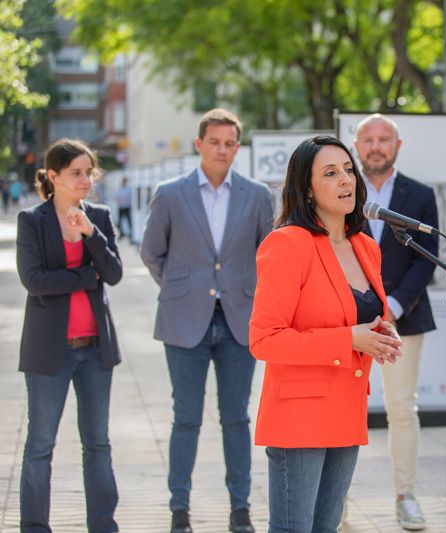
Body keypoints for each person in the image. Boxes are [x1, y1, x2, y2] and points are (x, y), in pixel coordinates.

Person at [249, 135, 403, 533]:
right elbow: (265, 339)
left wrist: (381, 333)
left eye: (348, 170)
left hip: (347, 406)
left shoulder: (366, 246)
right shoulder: (287, 244)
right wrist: (349, 339)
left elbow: (361, 313)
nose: (345, 180)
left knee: (327, 527)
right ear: (307, 188)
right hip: (299, 414)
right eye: (330, 173)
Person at [140, 108, 273, 533]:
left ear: (238, 146)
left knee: (236, 418)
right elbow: (151, 251)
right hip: (184, 321)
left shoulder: (256, 195)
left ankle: (240, 509)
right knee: (186, 417)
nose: (222, 149)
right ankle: (179, 509)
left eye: (230, 143)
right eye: (214, 142)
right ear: (199, 144)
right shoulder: (170, 192)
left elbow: (266, 256)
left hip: (239, 321)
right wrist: (182, 289)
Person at [16, 138, 123, 532]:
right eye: (76, 172)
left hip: (96, 349)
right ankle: (33, 526)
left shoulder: (99, 215)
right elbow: (34, 281)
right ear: (53, 176)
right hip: (49, 351)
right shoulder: (32, 220)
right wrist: (84, 276)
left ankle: (102, 525)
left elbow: (113, 274)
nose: (85, 180)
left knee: (97, 443)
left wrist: (91, 234)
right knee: (40, 445)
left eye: (88, 172)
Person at [353, 113, 439, 530]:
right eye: (367, 139)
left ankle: (406, 496)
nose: (375, 146)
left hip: (404, 318)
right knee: (344, 412)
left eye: (383, 138)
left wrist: (396, 307)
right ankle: (337, 506)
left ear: (397, 146)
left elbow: (427, 258)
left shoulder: (420, 195)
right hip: (347, 323)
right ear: (356, 146)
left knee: (402, 409)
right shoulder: (341, 190)